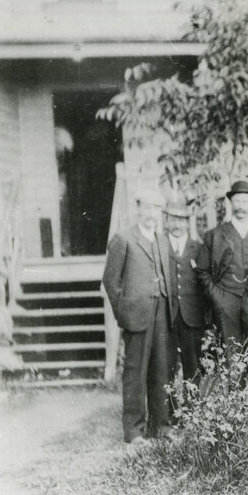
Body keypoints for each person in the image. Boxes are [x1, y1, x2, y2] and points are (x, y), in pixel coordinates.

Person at [102, 188, 176, 446]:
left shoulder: (162, 240)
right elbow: (110, 281)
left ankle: (161, 428)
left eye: (156, 209)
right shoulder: (123, 239)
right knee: (135, 373)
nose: (151, 213)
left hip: (162, 311)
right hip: (136, 314)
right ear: (138, 209)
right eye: (147, 207)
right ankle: (134, 431)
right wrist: (123, 312)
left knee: (161, 370)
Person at [199, 181, 248, 379]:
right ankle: (233, 398)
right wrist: (218, 297)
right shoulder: (214, 235)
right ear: (231, 203)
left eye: (245, 201)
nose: (241, 206)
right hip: (226, 299)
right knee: (229, 355)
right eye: (237, 201)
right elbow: (203, 271)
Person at [164, 197, 209, 387]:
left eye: (181, 220)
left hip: (191, 316)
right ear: (166, 221)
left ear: (187, 222)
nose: (176, 225)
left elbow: (205, 283)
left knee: (192, 365)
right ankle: (169, 405)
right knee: (166, 365)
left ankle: (191, 404)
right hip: (166, 315)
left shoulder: (198, 248)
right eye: (172, 219)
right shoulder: (159, 246)